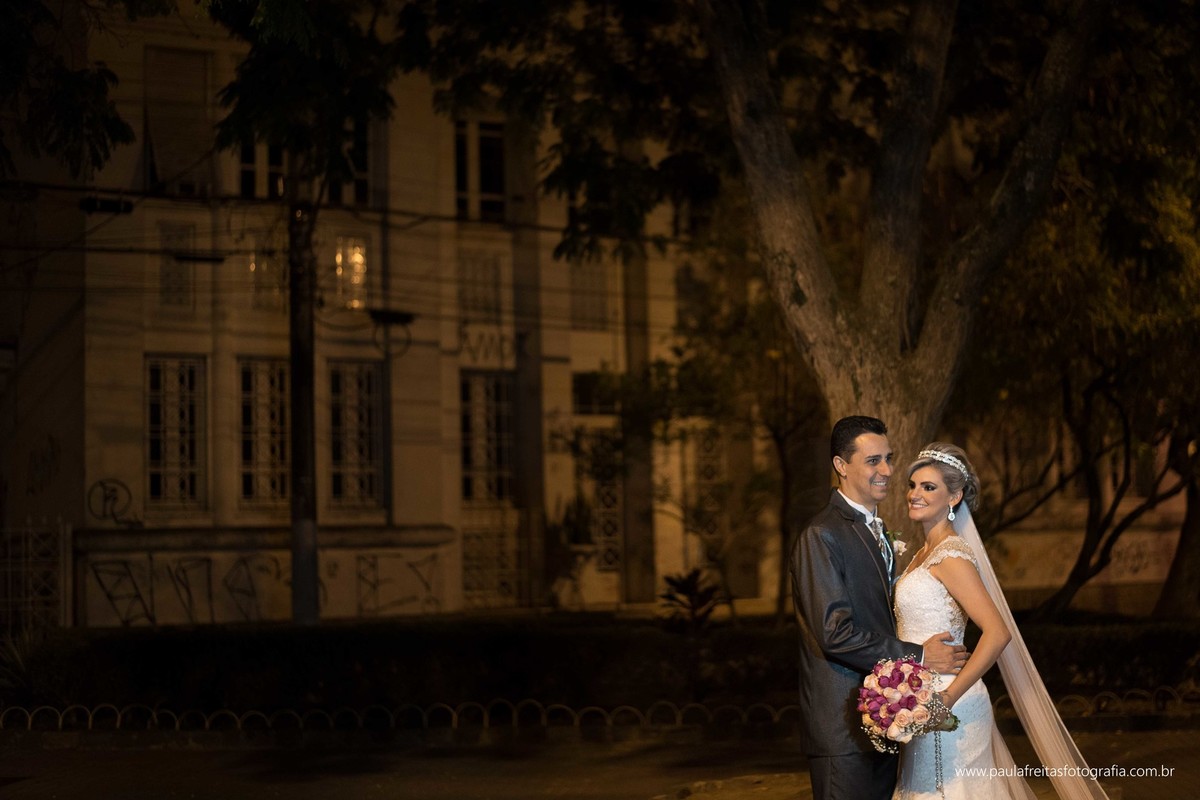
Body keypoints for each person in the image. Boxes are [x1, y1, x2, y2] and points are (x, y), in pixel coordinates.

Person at [892, 442, 1109, 800]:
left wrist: (946, 697)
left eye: (928, 487)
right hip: (917, 699)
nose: (914, 494)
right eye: (913, 485)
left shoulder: (950, 555)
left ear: (954, 496)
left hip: (949, 702)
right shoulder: (922, 554)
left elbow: (997, 633)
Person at [790, 416, 968, 800]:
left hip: (888, 716)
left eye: (888, 459)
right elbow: (834, 633)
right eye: (873, 461)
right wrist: (920, 656)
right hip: (843, 728)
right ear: (841, 465)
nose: (887, 471)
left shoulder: (878, 529)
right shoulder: (821, 535)